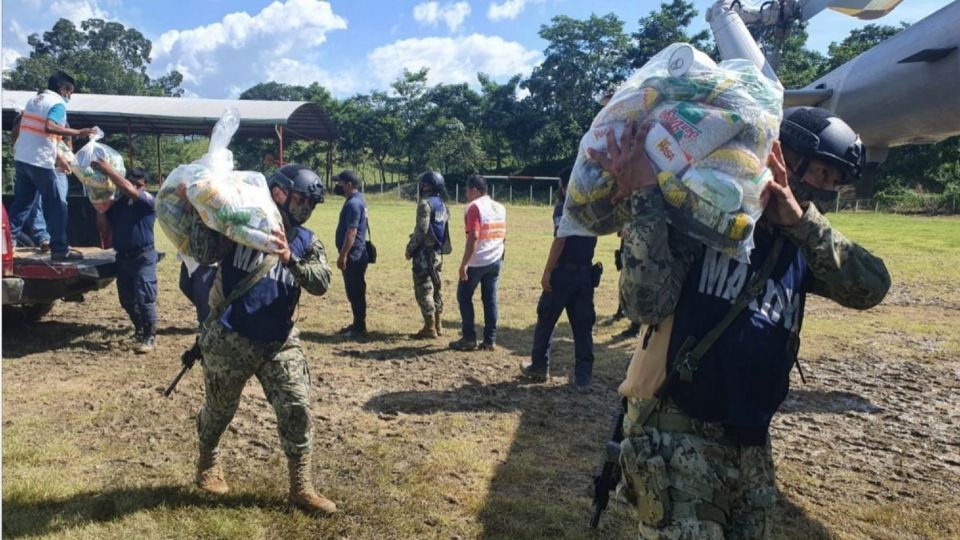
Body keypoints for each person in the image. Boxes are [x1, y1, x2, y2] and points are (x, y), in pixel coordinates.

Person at [590, 108, 890, 538]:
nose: (824, 190)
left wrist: (803, 225)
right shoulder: (706, 212)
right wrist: (644, 200)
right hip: (677, 430)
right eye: (822, 173)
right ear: (784, 158)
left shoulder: (803, 241)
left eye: (834, 182)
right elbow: (643, 303)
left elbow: (872, 287)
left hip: (750, 442)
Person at [187, 164, 336, 515]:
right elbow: (204, 252)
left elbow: (321, 282)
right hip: (230, 337)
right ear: (280, 193)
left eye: (311, 203)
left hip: (279, 342)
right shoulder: (242, 225)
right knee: (220, 410)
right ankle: (207, 463)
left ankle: (301, 488)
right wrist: (199, 209)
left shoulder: (306, 241)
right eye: (301, 199)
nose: (306, 208)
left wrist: (290, 259)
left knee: (296, 407)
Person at [520, 166, 598, 392]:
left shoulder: (562, 208)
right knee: (583, 328)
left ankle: (538, 367)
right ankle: (583, 378)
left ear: (565, 186)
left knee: (546, 321)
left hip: (562, 273)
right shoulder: (592, 208)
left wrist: (547, 272)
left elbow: (560, 240)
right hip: (585, 274)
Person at [8, 71, 94, 261]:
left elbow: (29, 130)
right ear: (63, 89)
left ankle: (6, 244)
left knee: (22, 205)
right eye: (70, 92)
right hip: (40, 162)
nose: (69, 96)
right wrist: (79, 131)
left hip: (22, 159)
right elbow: (50, 127)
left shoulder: (33, 101)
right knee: (57, 206)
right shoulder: (57, 103)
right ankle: (60, 249)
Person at [91, 161, 159, 354]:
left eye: (139, 184)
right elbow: (104, 227)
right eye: (132, 183)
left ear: (145, 185)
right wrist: (100, 206)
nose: (135, 187)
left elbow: (129, 191)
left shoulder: (147, 201)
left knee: (144, 297)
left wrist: (108, 171)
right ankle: (139, 329)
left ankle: (150, 335)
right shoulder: (119, 204)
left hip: (143, 256)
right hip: (123, 257)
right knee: (127, 299)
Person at [449, 175, 506, 352]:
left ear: (475, 190)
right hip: (496, 258)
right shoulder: (500, 207)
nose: (466, 194)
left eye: (467, 190)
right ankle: (490, 340)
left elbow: (474, 235)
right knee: (490, 299)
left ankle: (469, 337)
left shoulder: (474, 207)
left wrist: (464, 263)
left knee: (464, 297)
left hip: (477, 260)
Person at [405, 171, 451, 339]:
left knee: (423, 289)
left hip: (425, 254)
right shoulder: (444, 205)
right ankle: (438, 324)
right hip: (438, 253)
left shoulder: (425, 204)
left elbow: (422, 230)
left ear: (427, 185)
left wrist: (410, 248)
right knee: (437, 288)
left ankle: (429, 326)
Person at [333, 170, 370, 338]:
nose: (338, 186)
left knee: (354, 291)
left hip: (354, 255)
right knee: (355, 290)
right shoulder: (358, 200)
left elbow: (352, 232)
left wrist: (343, 255)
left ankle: (359, 327)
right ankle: (357, 323)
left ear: (349, 184)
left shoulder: (353, 204)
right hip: (357, 253)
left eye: (340, 182)